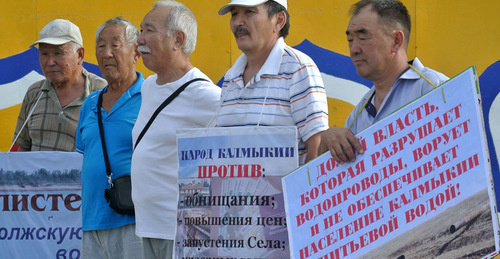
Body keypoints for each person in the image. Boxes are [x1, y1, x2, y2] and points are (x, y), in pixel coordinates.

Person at [131, 1, 221, 258]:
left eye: (149, 30)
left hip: (179, 233)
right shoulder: (148, 86)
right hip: (147, 227)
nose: (139, 39)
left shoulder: (203, 94)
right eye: (140, 30)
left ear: (177, 39)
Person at [319, 0, 448, 164]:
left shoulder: (435, 89)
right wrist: (326, 139)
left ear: (396, 41)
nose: (354, 49)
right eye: (350, 40)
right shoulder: (357, 117)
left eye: (363, 37)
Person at [217, 0, 329, 165]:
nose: (238, 22)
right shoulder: (231, 77)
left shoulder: (298, 68)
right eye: (234, 14)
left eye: (249, 12)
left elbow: (317, 146)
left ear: (279, 21)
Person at [75, 17, 144, 258]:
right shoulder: (90, 103)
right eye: (101, 46)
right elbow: (84, 156)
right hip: (91, 221)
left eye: (116, 45)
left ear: (136, 52)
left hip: (134, 221)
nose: (106, 54)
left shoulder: (150, 98)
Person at [12, 19, 106, 151]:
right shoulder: (35, 93)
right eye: (44, 54)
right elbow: (21, 148)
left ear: (80, 55)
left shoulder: (101, 92)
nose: (50, 62)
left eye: (58, 53)